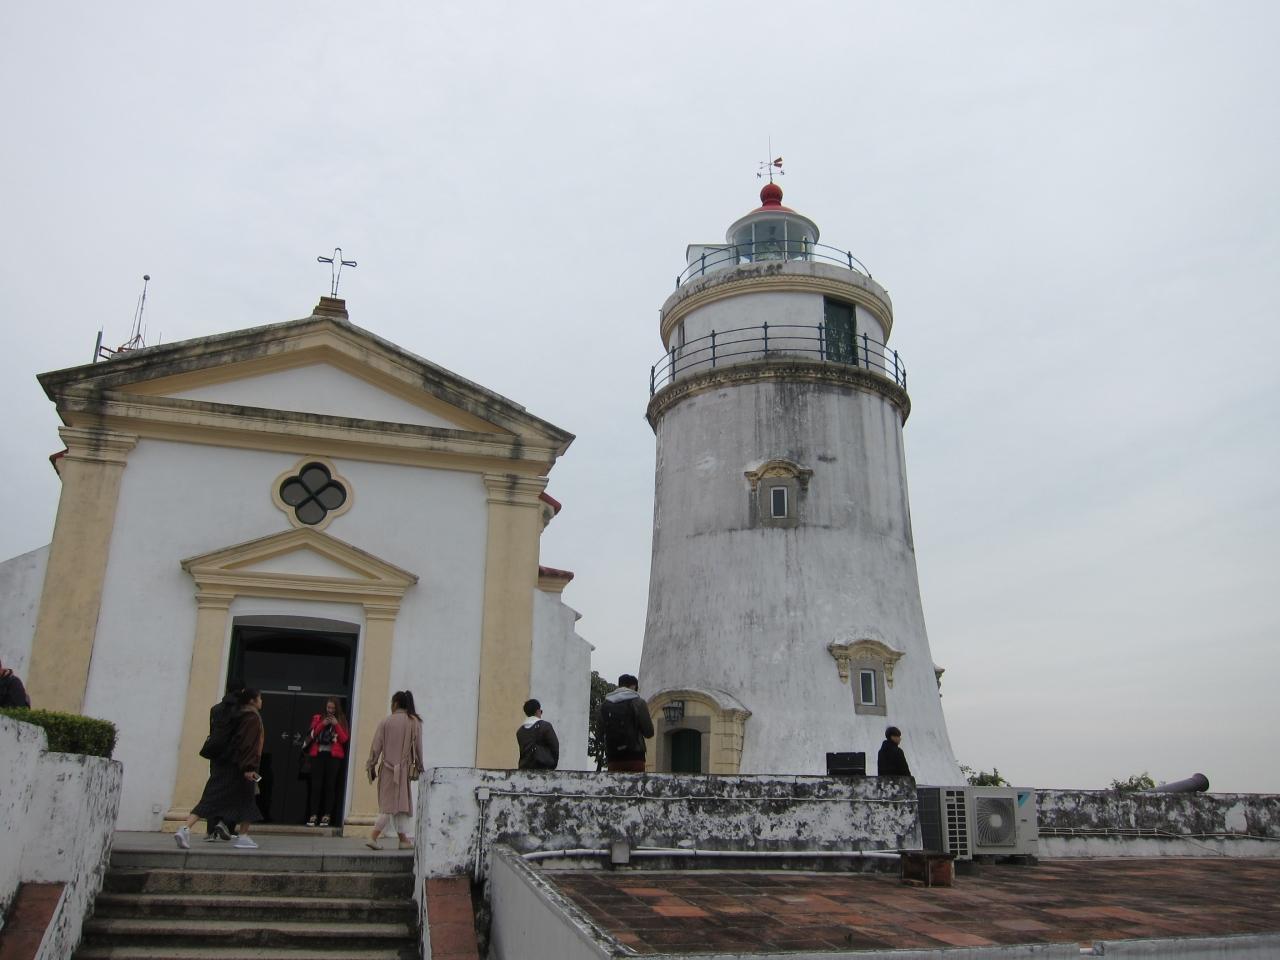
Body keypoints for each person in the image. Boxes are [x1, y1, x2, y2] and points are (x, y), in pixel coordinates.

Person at [178, 688, 266, 850]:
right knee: (248, 800)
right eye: (259, 698)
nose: (262, 701)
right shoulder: (251, 717)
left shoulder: (235, 714)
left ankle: (184, 829)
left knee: (210, 798)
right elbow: (248, 744)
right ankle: (243, 837)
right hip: (241, 766)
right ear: (252, 701)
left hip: (224, 762)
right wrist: (249, 767)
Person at [365, 690, 423, 850]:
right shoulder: (414, 722)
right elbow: (418, 748)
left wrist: (371, 765)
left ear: (395, 703)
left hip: (387, 770)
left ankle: (403, 840)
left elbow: (376, 746)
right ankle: (373, 837)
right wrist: (420, 766)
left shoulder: (386, 722)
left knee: (392, 805)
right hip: (403, 772)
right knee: (393, 806)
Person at [304, 697, 350, 828]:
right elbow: (311, 735)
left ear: (337, 709)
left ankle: (327, 815)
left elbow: (344, 739)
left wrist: (336, 724)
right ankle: (313, 815)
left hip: (333, 757)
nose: (330, 710)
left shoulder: (341, 719)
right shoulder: (318, 718)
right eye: (329, 708)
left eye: (333, 708)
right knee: (316, 786)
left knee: (330, 786)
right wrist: (322, 724)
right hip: (318, 755)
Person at [598, 674, 654, 773]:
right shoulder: (639, 702)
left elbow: (601, 733)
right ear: (633, 686)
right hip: (635, 757)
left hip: (613, 757)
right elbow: (649, 732)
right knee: (636, 783)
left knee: (615, 782)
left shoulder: (605, 705)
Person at [516, 698, 559, 770]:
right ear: (538, 711)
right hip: (543, 766)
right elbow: (555, 747)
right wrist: (552, 765)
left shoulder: (520, 731)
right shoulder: (545, 726)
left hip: (525, 768)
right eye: (541, 711)